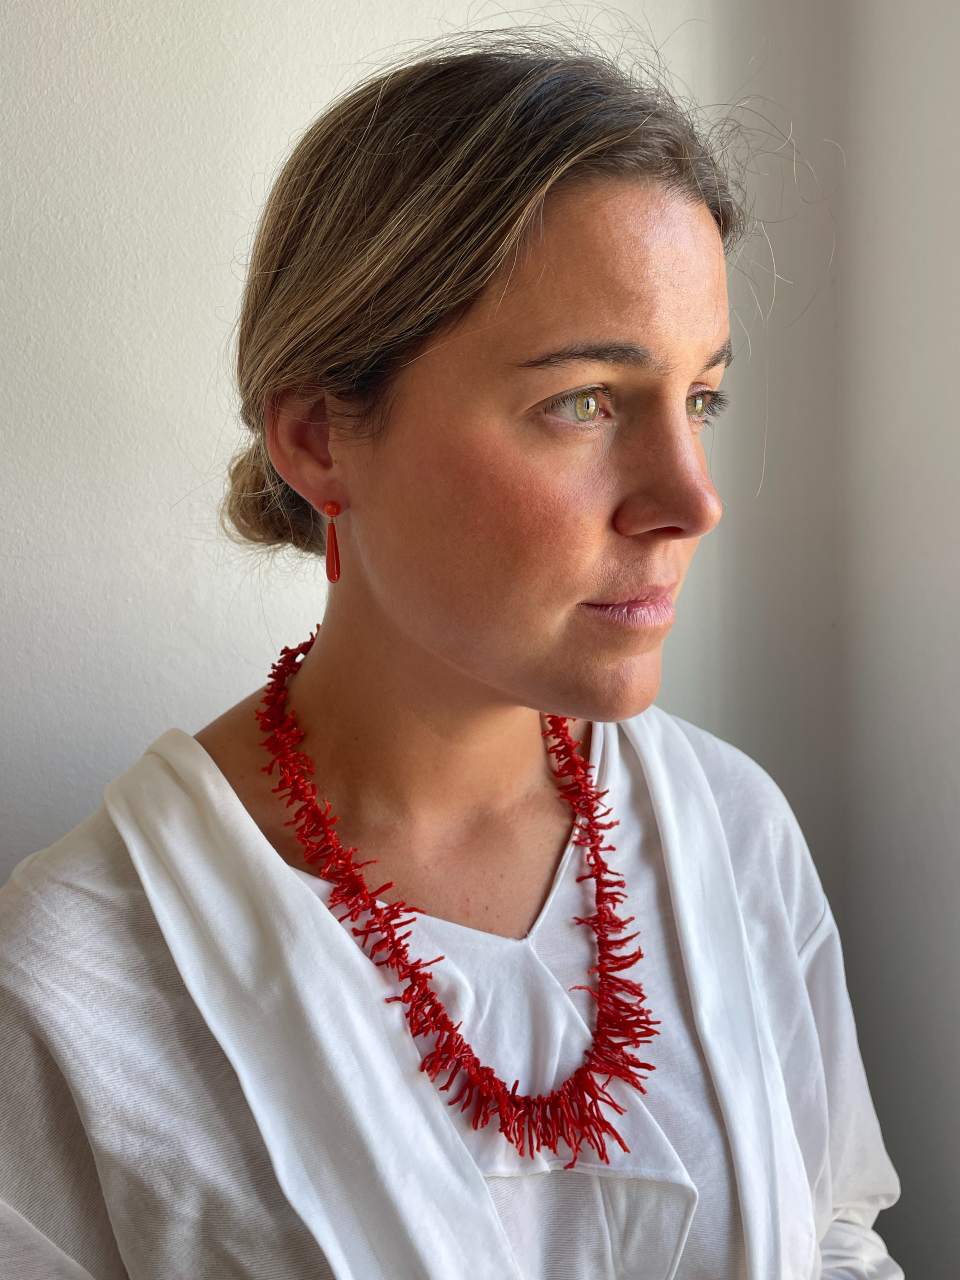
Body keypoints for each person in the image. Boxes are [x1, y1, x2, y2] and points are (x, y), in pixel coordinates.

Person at [0, 28, 903, 1280]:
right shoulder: (77, 987)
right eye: (584, 400)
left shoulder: (736, 836)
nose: (691, 500)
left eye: (702, 398)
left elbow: (834, 1235)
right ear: (319, 438)